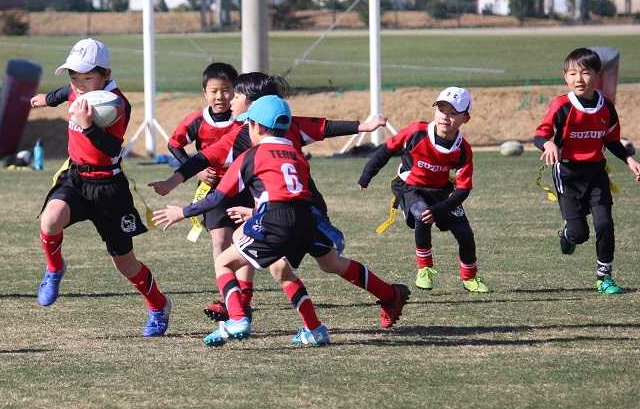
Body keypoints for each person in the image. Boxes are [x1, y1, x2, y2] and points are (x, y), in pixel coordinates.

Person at [154, 95, 410, 348]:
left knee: (224, 262)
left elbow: (217, 197)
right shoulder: (296, 154)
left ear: (256, 126)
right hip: (307, 218)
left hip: (275, 220)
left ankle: (238, 318)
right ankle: (318, 327)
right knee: (295, 266)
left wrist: (182, 212)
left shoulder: (251, 155)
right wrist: (258, 212)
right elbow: (290, 191)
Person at [28, 38, 171, 337]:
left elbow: (111, 147)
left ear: (106, 74)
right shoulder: (76, 90)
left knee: (125, 264)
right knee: (50, 220)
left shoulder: (116, 104)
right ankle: (55, 268)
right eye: (74, 76)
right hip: (76, 178)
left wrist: (89, 126)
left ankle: (159, 305)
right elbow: (64, 92)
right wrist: (46, 99)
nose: (79, 85)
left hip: (109, 187)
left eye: (87, 77)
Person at [358, 87, 489, 293]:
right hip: (410, 187)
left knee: (465, 233)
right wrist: (367, 175)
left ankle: (470, 277)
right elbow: (387, 150)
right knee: (423, 215)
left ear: (466, 118)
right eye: (441, 110)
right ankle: (425, 269)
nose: (445, 116)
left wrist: (440, 209)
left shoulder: (463, 149)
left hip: (442, 192)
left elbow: (463, 190)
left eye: (453, 113)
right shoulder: (416, 132)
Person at [534, 47, 640, 294]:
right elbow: (540, 135)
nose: (578, 79)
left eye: (585, 73)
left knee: (605, 224)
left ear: (597, 75)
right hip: (567, 174)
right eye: (572, 73)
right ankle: (568, 233)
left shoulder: (606, 107)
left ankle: (604, 277)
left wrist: (629, 159)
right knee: (579, 235)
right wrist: (548, 144)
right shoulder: (561, 105)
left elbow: (611, 140)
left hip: (596, 174)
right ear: (565, 77)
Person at [166, 62, 248, 322]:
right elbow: (174, 143)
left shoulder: (244, 120)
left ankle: (244, 297)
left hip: (245, 187)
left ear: (235, 92)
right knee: (219, 241)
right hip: (214, 189)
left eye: (226, 90)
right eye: (214, 91)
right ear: (205, 92)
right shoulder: (197, 121)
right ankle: (227, 296)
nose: (220, 96)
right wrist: (197, 171)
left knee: (243, 240)